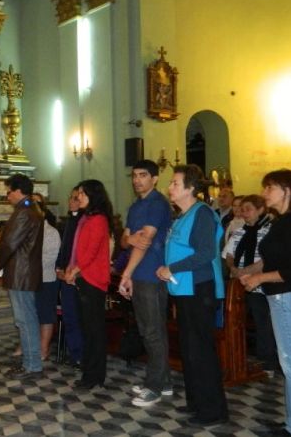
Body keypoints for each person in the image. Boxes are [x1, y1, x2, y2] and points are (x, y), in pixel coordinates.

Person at [240, 169, 291, 437]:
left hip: (287, 294)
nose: (264, 193)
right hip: (281, 294)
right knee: (289, 364)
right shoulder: (281, 221)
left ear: (286, 190)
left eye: (269, 187)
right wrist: (250, 271)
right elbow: (275, 258)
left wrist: (259, 277)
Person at [156, 164, 228, 426]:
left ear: (191, 189)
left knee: (201, 350)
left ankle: (213, 411)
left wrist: (171, 268)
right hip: (185, 289)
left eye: (175, 183)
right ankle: (197, 403)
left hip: (200, 289)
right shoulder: (182, 216)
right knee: (189, 349)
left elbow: (205, 253)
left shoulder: (203, 214)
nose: (170, 188)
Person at [118, 160, 173, 407]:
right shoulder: (135, 206)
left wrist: (126, 273)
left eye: (143, 175)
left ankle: (154, 387)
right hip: (139, 274)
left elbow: (145, 241)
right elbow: (124, 241)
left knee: (152, 332)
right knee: (148, 330)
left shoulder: (157, 204)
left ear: (155, 178)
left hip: (152, 274)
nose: (137, 180)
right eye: (134, 175)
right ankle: (165, 381)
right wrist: (130, 239)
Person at [0, 174, 44, 379]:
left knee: (25, 320)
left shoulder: (24, 211)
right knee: (25, 319)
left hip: (21, 273)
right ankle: (30, 362)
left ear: (17, 191)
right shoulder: (31, 208)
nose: (7, 197)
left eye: (8, 192)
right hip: (24, 272)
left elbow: (10, 243)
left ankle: (33, 365)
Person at [64, 179, 113, 391]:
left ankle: (94, 376)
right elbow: (77, 248)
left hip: (93, 280)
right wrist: (72, 268)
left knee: (94, 331)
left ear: (93, 195)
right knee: (88, 329)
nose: (79, 197)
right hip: (84, 278)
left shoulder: (98, 219)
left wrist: (74, 270)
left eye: (83, 194)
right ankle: (90, 373)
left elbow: (91, 251)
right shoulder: (86, 217)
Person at [223, 194, 277, 377]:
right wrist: (233, 268)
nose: (243, 213)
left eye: (248, 209)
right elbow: (229, 253)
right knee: (235, 320)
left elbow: (268, 258)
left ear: (260, 210)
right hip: (238, 283)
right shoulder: (240, 230)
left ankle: (267, 361)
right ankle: (238, 356)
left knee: (262, 321)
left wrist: (246, 270)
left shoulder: (270, 231)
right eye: (242, 209)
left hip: (260, 283)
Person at [55, 187, 84, 368]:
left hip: (78, 276)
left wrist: (73, 271)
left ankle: (81, 354)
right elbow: (64, 248)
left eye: (76, 198)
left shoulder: (84, 222)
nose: (72, 201)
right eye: (71, 197)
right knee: (69, 316)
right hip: (65, 274)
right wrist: (59, 267)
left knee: (78, 317)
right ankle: (74, 353)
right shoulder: (69, 221)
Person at [32, 193, 61, 361]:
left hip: (46, 278)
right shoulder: (28, 230)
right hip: (30, 279)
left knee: (45, 315)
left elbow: (49, 258)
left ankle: (44, 348)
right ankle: (30, 345)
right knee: (31, 314)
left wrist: (27, 264)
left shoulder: (51, 232)